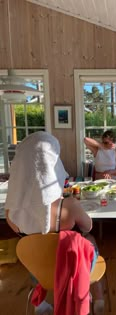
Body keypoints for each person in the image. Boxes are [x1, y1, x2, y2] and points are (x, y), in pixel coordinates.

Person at [5, 131, 104, 315]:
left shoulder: (12, 210)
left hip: (39, 269)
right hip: (70, 267)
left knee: (35, 247)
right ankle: (98, 299)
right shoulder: (69, 206)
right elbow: (87, 226)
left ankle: (39, 304)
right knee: (89, 238)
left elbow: (23, 233)